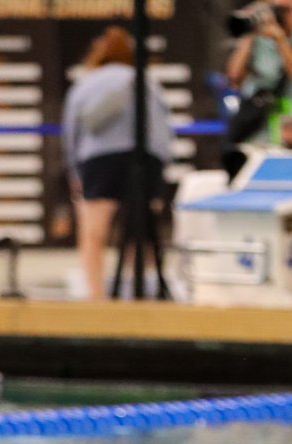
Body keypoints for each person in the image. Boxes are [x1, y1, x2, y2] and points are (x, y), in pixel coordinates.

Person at [62, 26, 172, 301]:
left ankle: (96, 296)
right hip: (145, 160)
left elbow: (71, 132)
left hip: (99, 161)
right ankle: (139, 294)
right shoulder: (147, 82)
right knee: (141, 233)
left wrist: (75, 172)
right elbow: (163, 132)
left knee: (93, 233)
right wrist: (159, 172)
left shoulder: (86, 83)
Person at [225, 0, 292, 164]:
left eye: (286, 10)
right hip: (259, 130)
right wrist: (249, 33)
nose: (280, 15)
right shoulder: (260, 41)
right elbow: (233, 78)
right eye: (275, 9)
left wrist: (281, 40)